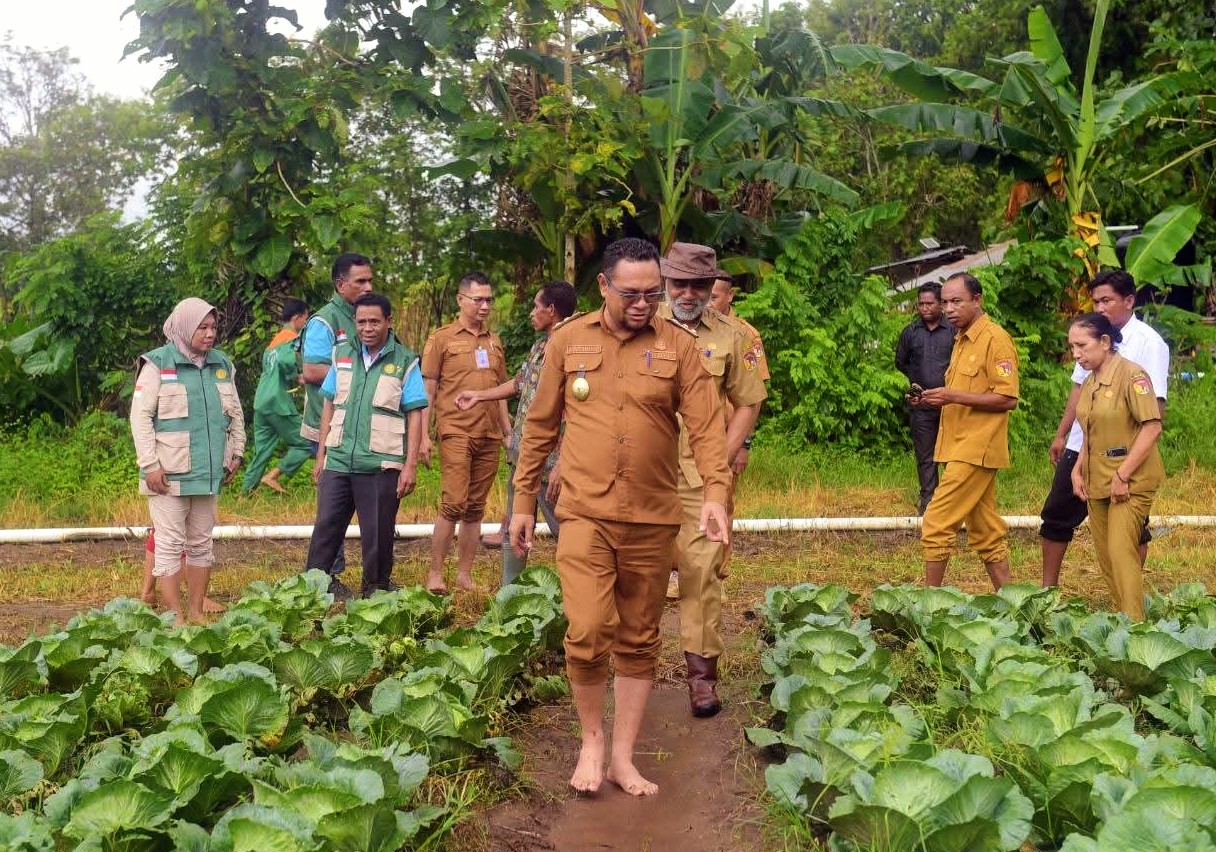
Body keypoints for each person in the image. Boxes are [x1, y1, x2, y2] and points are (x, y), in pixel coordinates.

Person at [510, 237, 732, 798]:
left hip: (654, 516)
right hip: (584, 510)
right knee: (586, 630)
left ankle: (622, 759)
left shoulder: (678, 347)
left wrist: (714, 494)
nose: (643, 303)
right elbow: (539, 426)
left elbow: (706, 426)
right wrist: (520, 502)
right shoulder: (568, 341)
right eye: (631, 293)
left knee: (639, 637)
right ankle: (590, 741)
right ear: (604, 286)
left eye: (651, 293)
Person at [658, 244, 767, 718]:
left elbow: (748, 400)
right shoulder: (642, 323)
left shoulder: (733, 335)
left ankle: (702, 678)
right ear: (665, 282)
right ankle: (628, 669)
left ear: (711, 289)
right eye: (678, 284)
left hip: (698, 477)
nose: (687, 293)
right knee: (637, 574)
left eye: (697, 286)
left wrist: (720, 458)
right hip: (639, 472)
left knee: (702, 571)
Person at [1040, 269, 1169, 586]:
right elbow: (1077, 390)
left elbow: (1155, 412)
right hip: (1081, 446)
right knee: (1056, 515)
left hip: (1123, 452)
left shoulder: (1150, 344)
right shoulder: (1089, 333)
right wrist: (1061, 434)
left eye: (1106, 300)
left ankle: (1128, 593)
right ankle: (1047, 591)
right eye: (1095, 301)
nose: (1099, 308)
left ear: (1129, 300)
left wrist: (1127, 468)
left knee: (1132, 526)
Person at [302, 292, 428, 598]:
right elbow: (329, 405)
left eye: (374, 321)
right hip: (339, 460)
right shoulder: (341, 354)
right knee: (325, 531)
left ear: (389, 321)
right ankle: (312, 592)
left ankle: (375, 592)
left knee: (378, 535)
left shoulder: (406, 361)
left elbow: (414, 414)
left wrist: (409, 465)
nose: (367, 328)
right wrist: (321, 456)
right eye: (361, 322)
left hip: (380, 465)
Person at [130, 298, 246, 624]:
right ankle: (176, 618)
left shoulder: (221, 364)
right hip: (169, 473)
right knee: (168, 544)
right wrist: (150, 465)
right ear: (184, 327)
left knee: (201, 544)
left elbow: (234, 413)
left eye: (213, 328)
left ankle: (195, 611)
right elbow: (140, 419)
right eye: (202, 328)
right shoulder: (157, 365)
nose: (210, 334)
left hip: (209, 472)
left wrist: (236, 452)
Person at [454, 280, 578, 585]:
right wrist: (479, 395)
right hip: (523, 456)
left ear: (551, 310)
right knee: (514, 527)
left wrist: (564, 460)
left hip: (552, 463)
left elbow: (575, 410)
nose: (532, 313)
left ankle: (578, 595)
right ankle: (509, 594)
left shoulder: (573, 347)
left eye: (536, 306)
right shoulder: (540, 345)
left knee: (568, 530)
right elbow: (520, 383)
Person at [917, 273, 1018, 590]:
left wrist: (951, 395)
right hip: (957, 445)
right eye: (945, 302)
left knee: (935, 523)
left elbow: (1007, 398)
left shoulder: (995, 339)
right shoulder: (961, 339)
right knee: (985, 530)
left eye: (956, 301)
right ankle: (1015, 604)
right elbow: (963, 393)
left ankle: (928, 603)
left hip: (977, 449)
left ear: (978, 300)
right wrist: (938, 396)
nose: (948, 308)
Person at [1067, 312, 1164, 620]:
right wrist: (1077, 467)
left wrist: (1123, 475)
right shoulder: (1090, 380)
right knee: (1107, 557)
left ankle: (1136, 628)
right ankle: (1123, 617)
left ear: (1105, 342)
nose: (1076, 354)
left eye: (1082, 346)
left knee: (1122, 553)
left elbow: (1152, 428)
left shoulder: (1133, 376)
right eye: (1072, 347)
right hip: (1097, 478)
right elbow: (1090, 429)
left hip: (1130, 480)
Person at [420, 271, 511, 593]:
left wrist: (508, 432)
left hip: (489, 435)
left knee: (475, 508)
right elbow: (427, 390)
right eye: (478, 299)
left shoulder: (494, 341)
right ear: (461, 300)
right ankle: (435, 574)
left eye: (489, 299)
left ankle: (464, 575)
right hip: (456, 429)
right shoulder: (442, 339)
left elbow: (501, 390)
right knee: (453, 502)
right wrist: (423, 435)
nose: (485, 306)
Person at [300, 254, 372, 595]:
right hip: (330, 426)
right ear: (340, 284)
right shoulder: (325, 321)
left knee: (362, 500)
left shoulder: (369, 315)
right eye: (360, 281)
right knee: (334, 505)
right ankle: (325, 577)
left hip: (364, 426)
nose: (368, 286)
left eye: (370, 280)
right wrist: (364, 376)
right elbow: (312, 370)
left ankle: (371, 576)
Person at [895, 283, 957, 514]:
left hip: (952, 404)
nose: (924, 308)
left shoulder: (954, 331)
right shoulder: (911, 332)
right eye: (920, 304)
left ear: (941, 304)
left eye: (929, 303)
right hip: (921, 405)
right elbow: (901, 362)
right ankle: (928, 507)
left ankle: (952, 505)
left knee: (953, 456)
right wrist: (916, 383)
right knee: (925, 456)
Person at [242, 299, 313, 495]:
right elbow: (286, 361)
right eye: (305, 319)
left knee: (262, 450)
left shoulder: (273, 343)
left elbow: (270, 367)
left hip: (262, 400)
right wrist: (295, 376)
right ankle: (273, 476)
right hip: (277, 401)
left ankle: (244, 494)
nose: (305, 323)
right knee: (306, 442)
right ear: (297, 318)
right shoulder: (291, 337)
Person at [709, 276, 769, 476]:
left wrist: (744, 444)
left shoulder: (746, 335)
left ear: (730, 296)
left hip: (728, 434)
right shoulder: (691, 328)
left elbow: (754, 396)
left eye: (713, 297)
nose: (707, 304)